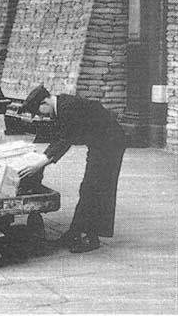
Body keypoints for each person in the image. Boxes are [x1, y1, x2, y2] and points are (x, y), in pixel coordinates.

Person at [17, 85, 126, 253]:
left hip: (110, 144)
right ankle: (75, 232)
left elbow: (65, 140)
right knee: (88, 187)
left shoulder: (68, 108)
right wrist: (42, 157)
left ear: (45, 102)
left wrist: (40, 163)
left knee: (96, 187)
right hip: (99, 143)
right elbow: (59, 137)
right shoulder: (61, 106)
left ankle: (91, 238)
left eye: (40, 112)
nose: (42, 116)